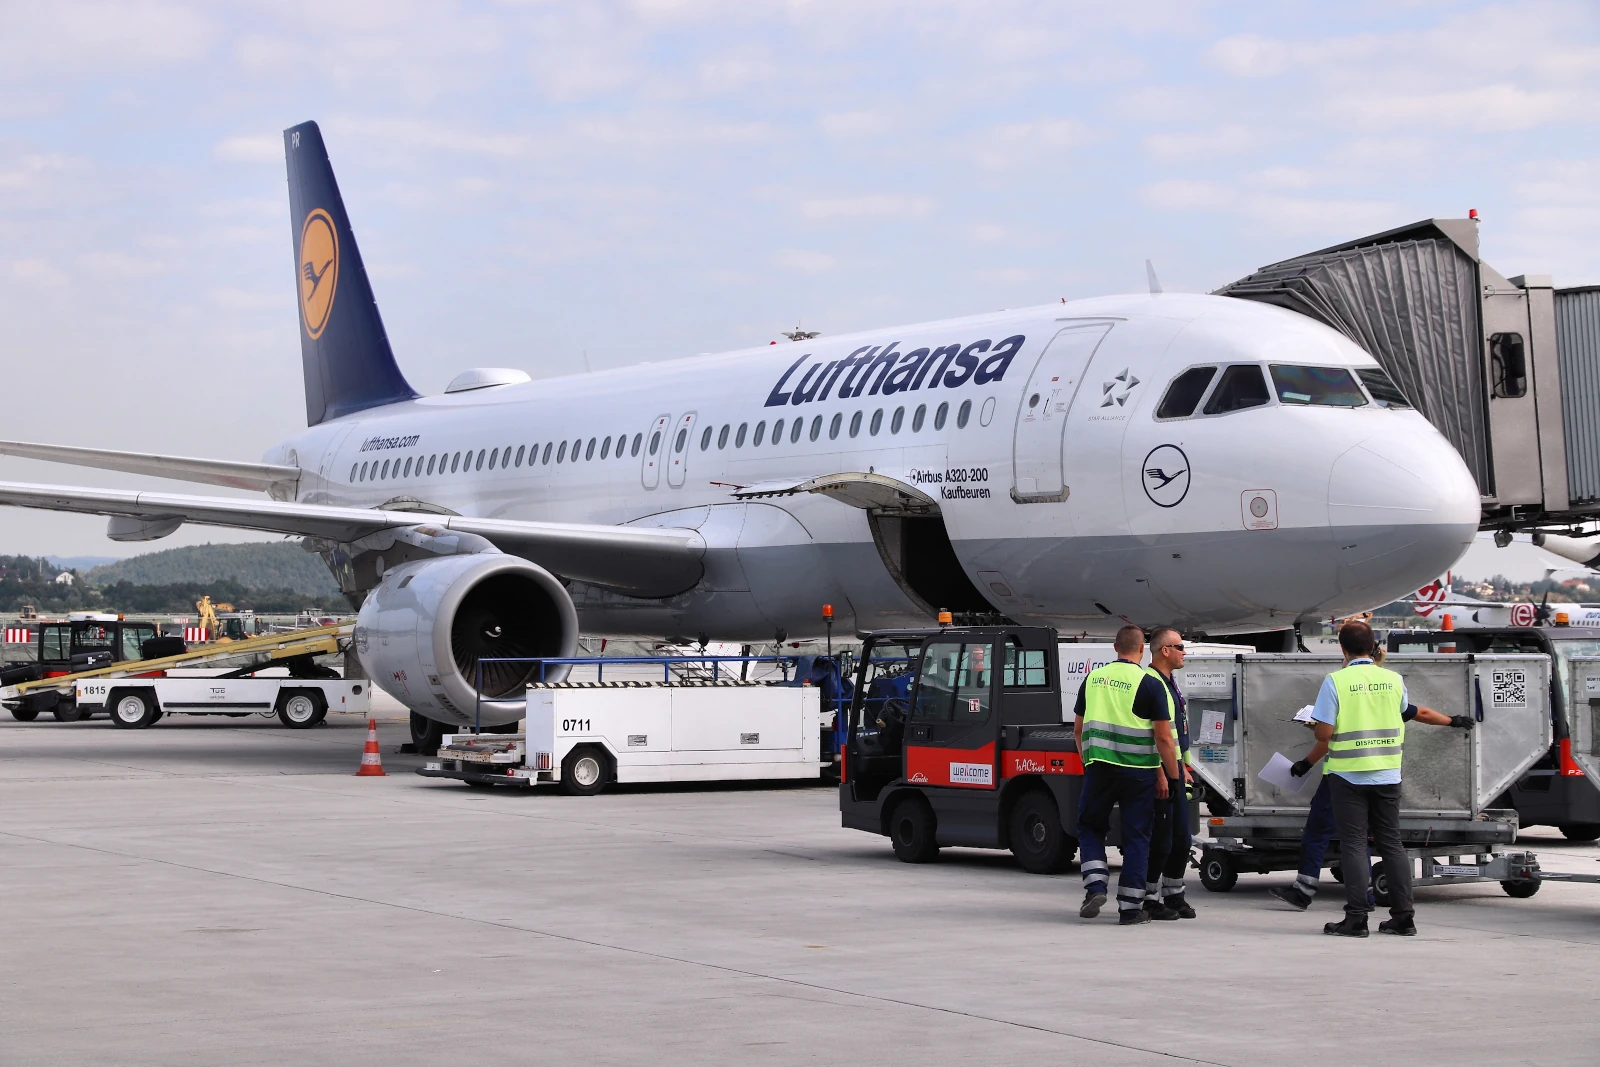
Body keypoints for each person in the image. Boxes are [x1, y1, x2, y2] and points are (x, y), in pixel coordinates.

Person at [1269, 650, 1474, 912]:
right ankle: (1390, 907)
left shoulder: (1341, 686)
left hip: (1343, 776)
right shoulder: (1390, 689)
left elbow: (1328, 736)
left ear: (1347, 655)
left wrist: (1309, 753)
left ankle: (1311, 892)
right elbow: (1420, 712)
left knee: (1327, 834)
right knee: (1376, 840)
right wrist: (1452, 721)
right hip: (1382, 776)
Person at [1289, 621, 1418, 936]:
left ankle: (1357, 918)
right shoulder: (1394, 679)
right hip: (1388, 772)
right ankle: (1404, 917)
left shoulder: (1336, 681)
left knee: (1354, 843)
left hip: (1348, 775)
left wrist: (1315, 725)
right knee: (1392, 843)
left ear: (1342, 648)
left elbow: (1325, 732)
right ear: (1373, 645)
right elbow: (1402, 713)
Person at [1074, 624, 1182, 925]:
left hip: (1099, 768)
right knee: (1137, 836)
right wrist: (1173, 778)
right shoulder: (1149, 683)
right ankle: (1131, 909)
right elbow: (1163, 738)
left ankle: (1095, 885)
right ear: (1141, 649)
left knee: (1090, 826)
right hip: (1139, 773)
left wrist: (1089, 762)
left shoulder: (1093, 678)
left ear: (1114, 648)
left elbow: (1078, 730)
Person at [1143, 627, 1196, 920]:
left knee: (1181, 840)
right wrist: (1162, 774)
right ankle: (1149, 898)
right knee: (1161, 840)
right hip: (1162, 771)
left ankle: (1174, 894)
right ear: (1165, 650)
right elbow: (1153, 737)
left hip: (1176, 769)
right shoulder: (1151, 683)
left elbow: (1178, 733)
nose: (1183, 652)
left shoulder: (1169, 683)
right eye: (1179, 647)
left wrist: (1185, 766)